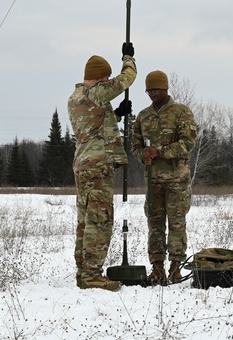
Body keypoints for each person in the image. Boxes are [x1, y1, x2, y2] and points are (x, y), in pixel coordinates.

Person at [69, 42, 136, 291]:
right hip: (98, 166)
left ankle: (83, 271)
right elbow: (127, 79)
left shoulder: (76, 97)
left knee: (85, 220)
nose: (108, 81)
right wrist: (128, 58)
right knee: (100, 220)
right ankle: (92, 276)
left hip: (83, 164)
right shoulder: (96, 92)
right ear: (99, 78)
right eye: (105, 77)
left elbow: (93, 127)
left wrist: (115, 114)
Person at [130, 69, 197, 285]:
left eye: (156, 90)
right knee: (155, 224)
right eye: (149, 91)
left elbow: (187, 143)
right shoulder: (143, 116)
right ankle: (157, 267)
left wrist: (160, 151)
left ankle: (176, 268)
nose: (152, 94)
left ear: (166, 89)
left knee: (177, 224)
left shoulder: (181, 113)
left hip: (177, 180)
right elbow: (135, 145)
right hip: (153, 181)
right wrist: (144, 156)